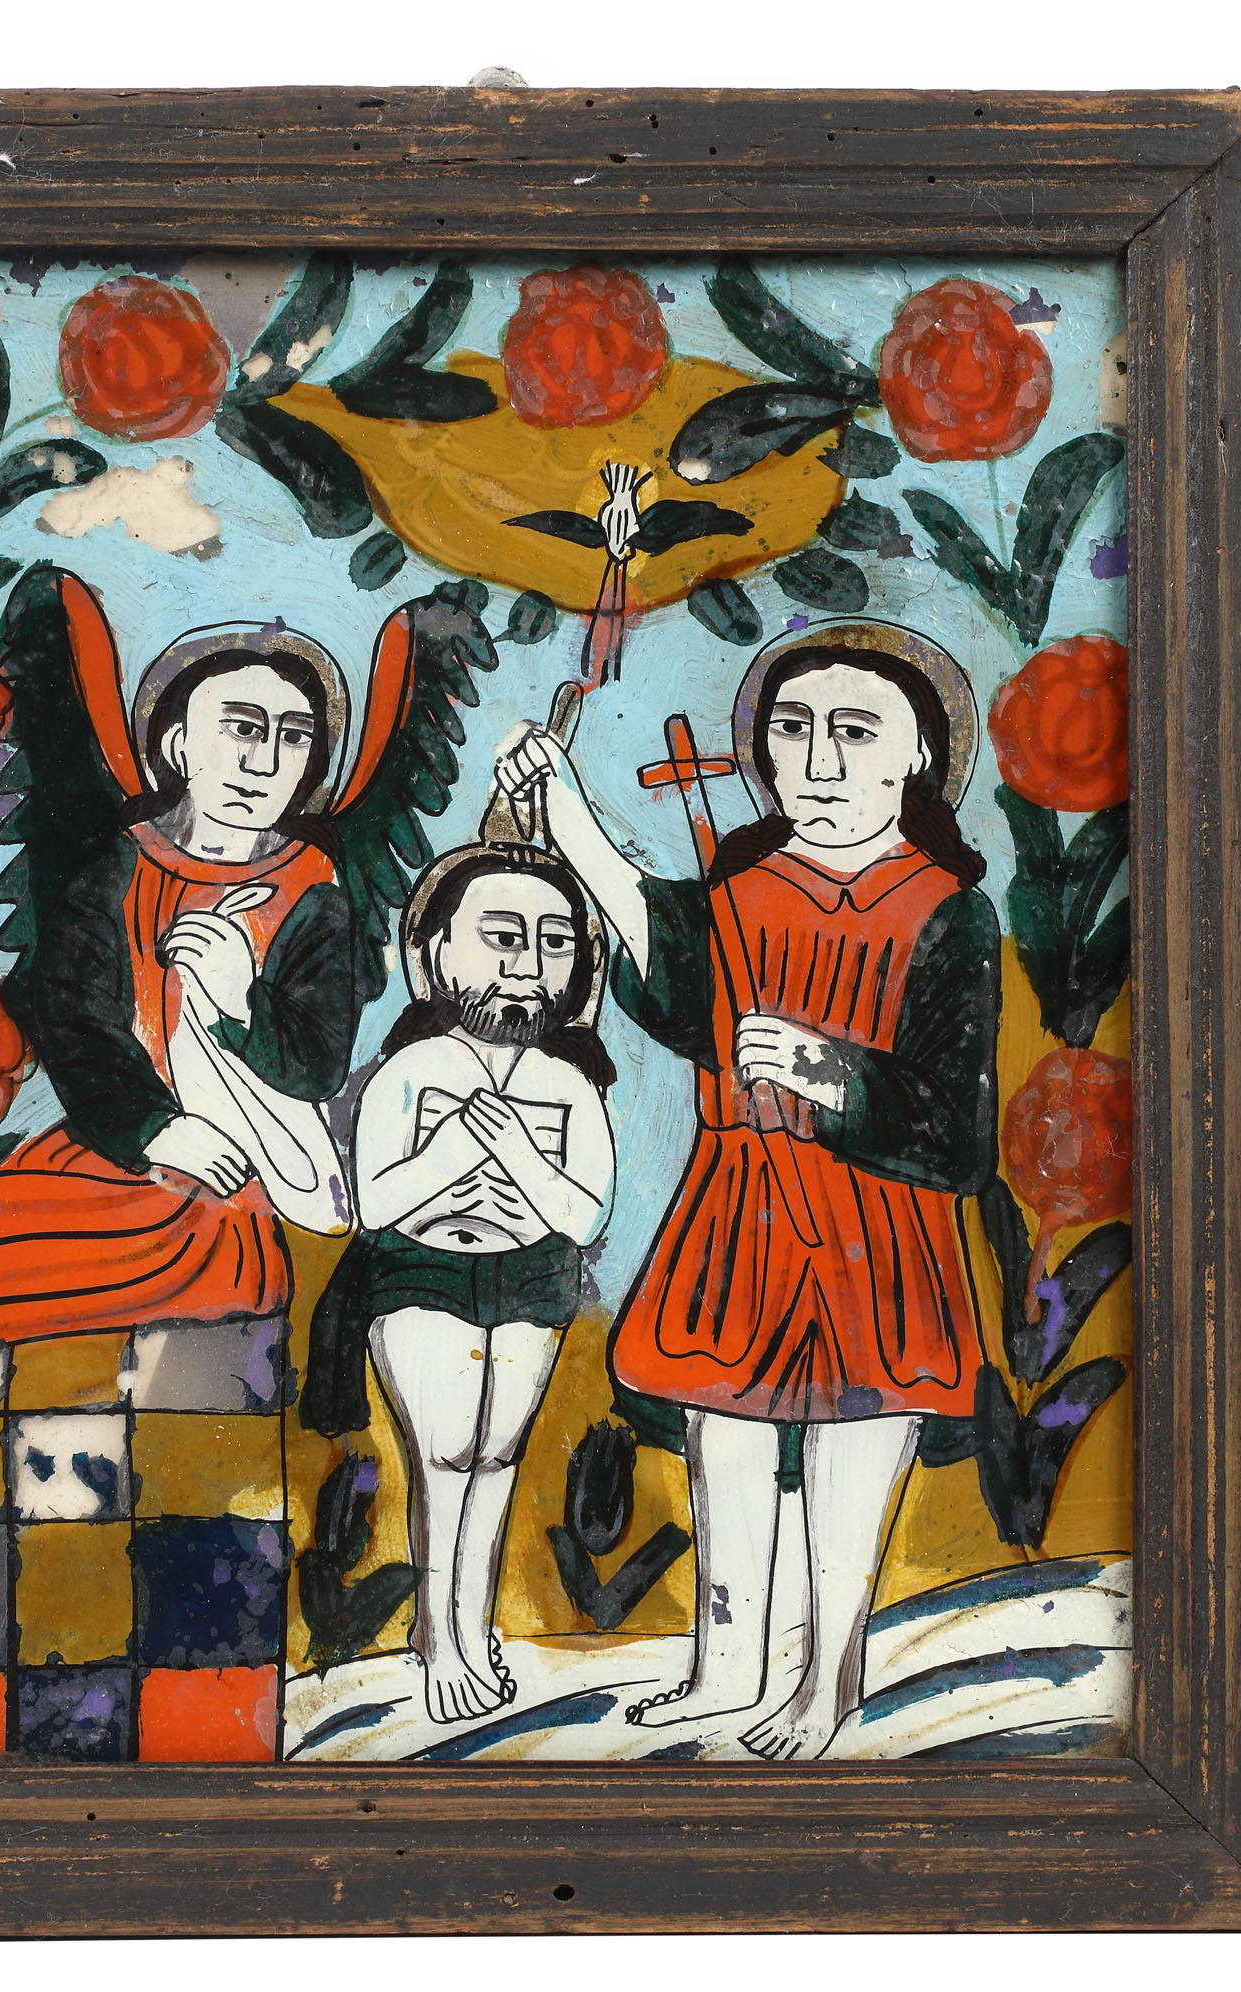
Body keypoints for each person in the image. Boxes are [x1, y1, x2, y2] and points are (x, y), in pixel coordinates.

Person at [496, 621, 1001, 1759]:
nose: (816, 759)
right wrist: (566, 811)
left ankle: (827, 1680)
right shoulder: (742, 885)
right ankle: (725, 1668)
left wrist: (830, 1072)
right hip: (741, 1202)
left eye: (854, 731)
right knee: (721, 1429)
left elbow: (957, 1131)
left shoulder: (947, 909)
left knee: (848, 1440)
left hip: (874, 1222)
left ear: (916, 755)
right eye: (792, 729)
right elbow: (664, 956)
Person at [0, 621, 361, 1389]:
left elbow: (317, 1066)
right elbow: (76, 1026)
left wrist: (242, 1000)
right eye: (242, 727)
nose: (265, 761)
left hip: (232, 1184)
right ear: (177, 744)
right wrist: (155, 1130)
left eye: (294, 737)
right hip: (115, 1148)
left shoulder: (314, 891)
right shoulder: (117, 869)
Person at [302, 836, 617, 1723]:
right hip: (422, 1274)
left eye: (555, 942)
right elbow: (374, 1201)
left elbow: (586, 1213)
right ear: (438, 952)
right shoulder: (411, 1071)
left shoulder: (569, 1083)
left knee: (496, 1455)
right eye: (503, 936)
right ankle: (438, 1641)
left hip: (531, 1279)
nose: (529, 964)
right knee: (442, 1454)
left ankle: (472, 1630)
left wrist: (520, 1154)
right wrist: (448, 1155)